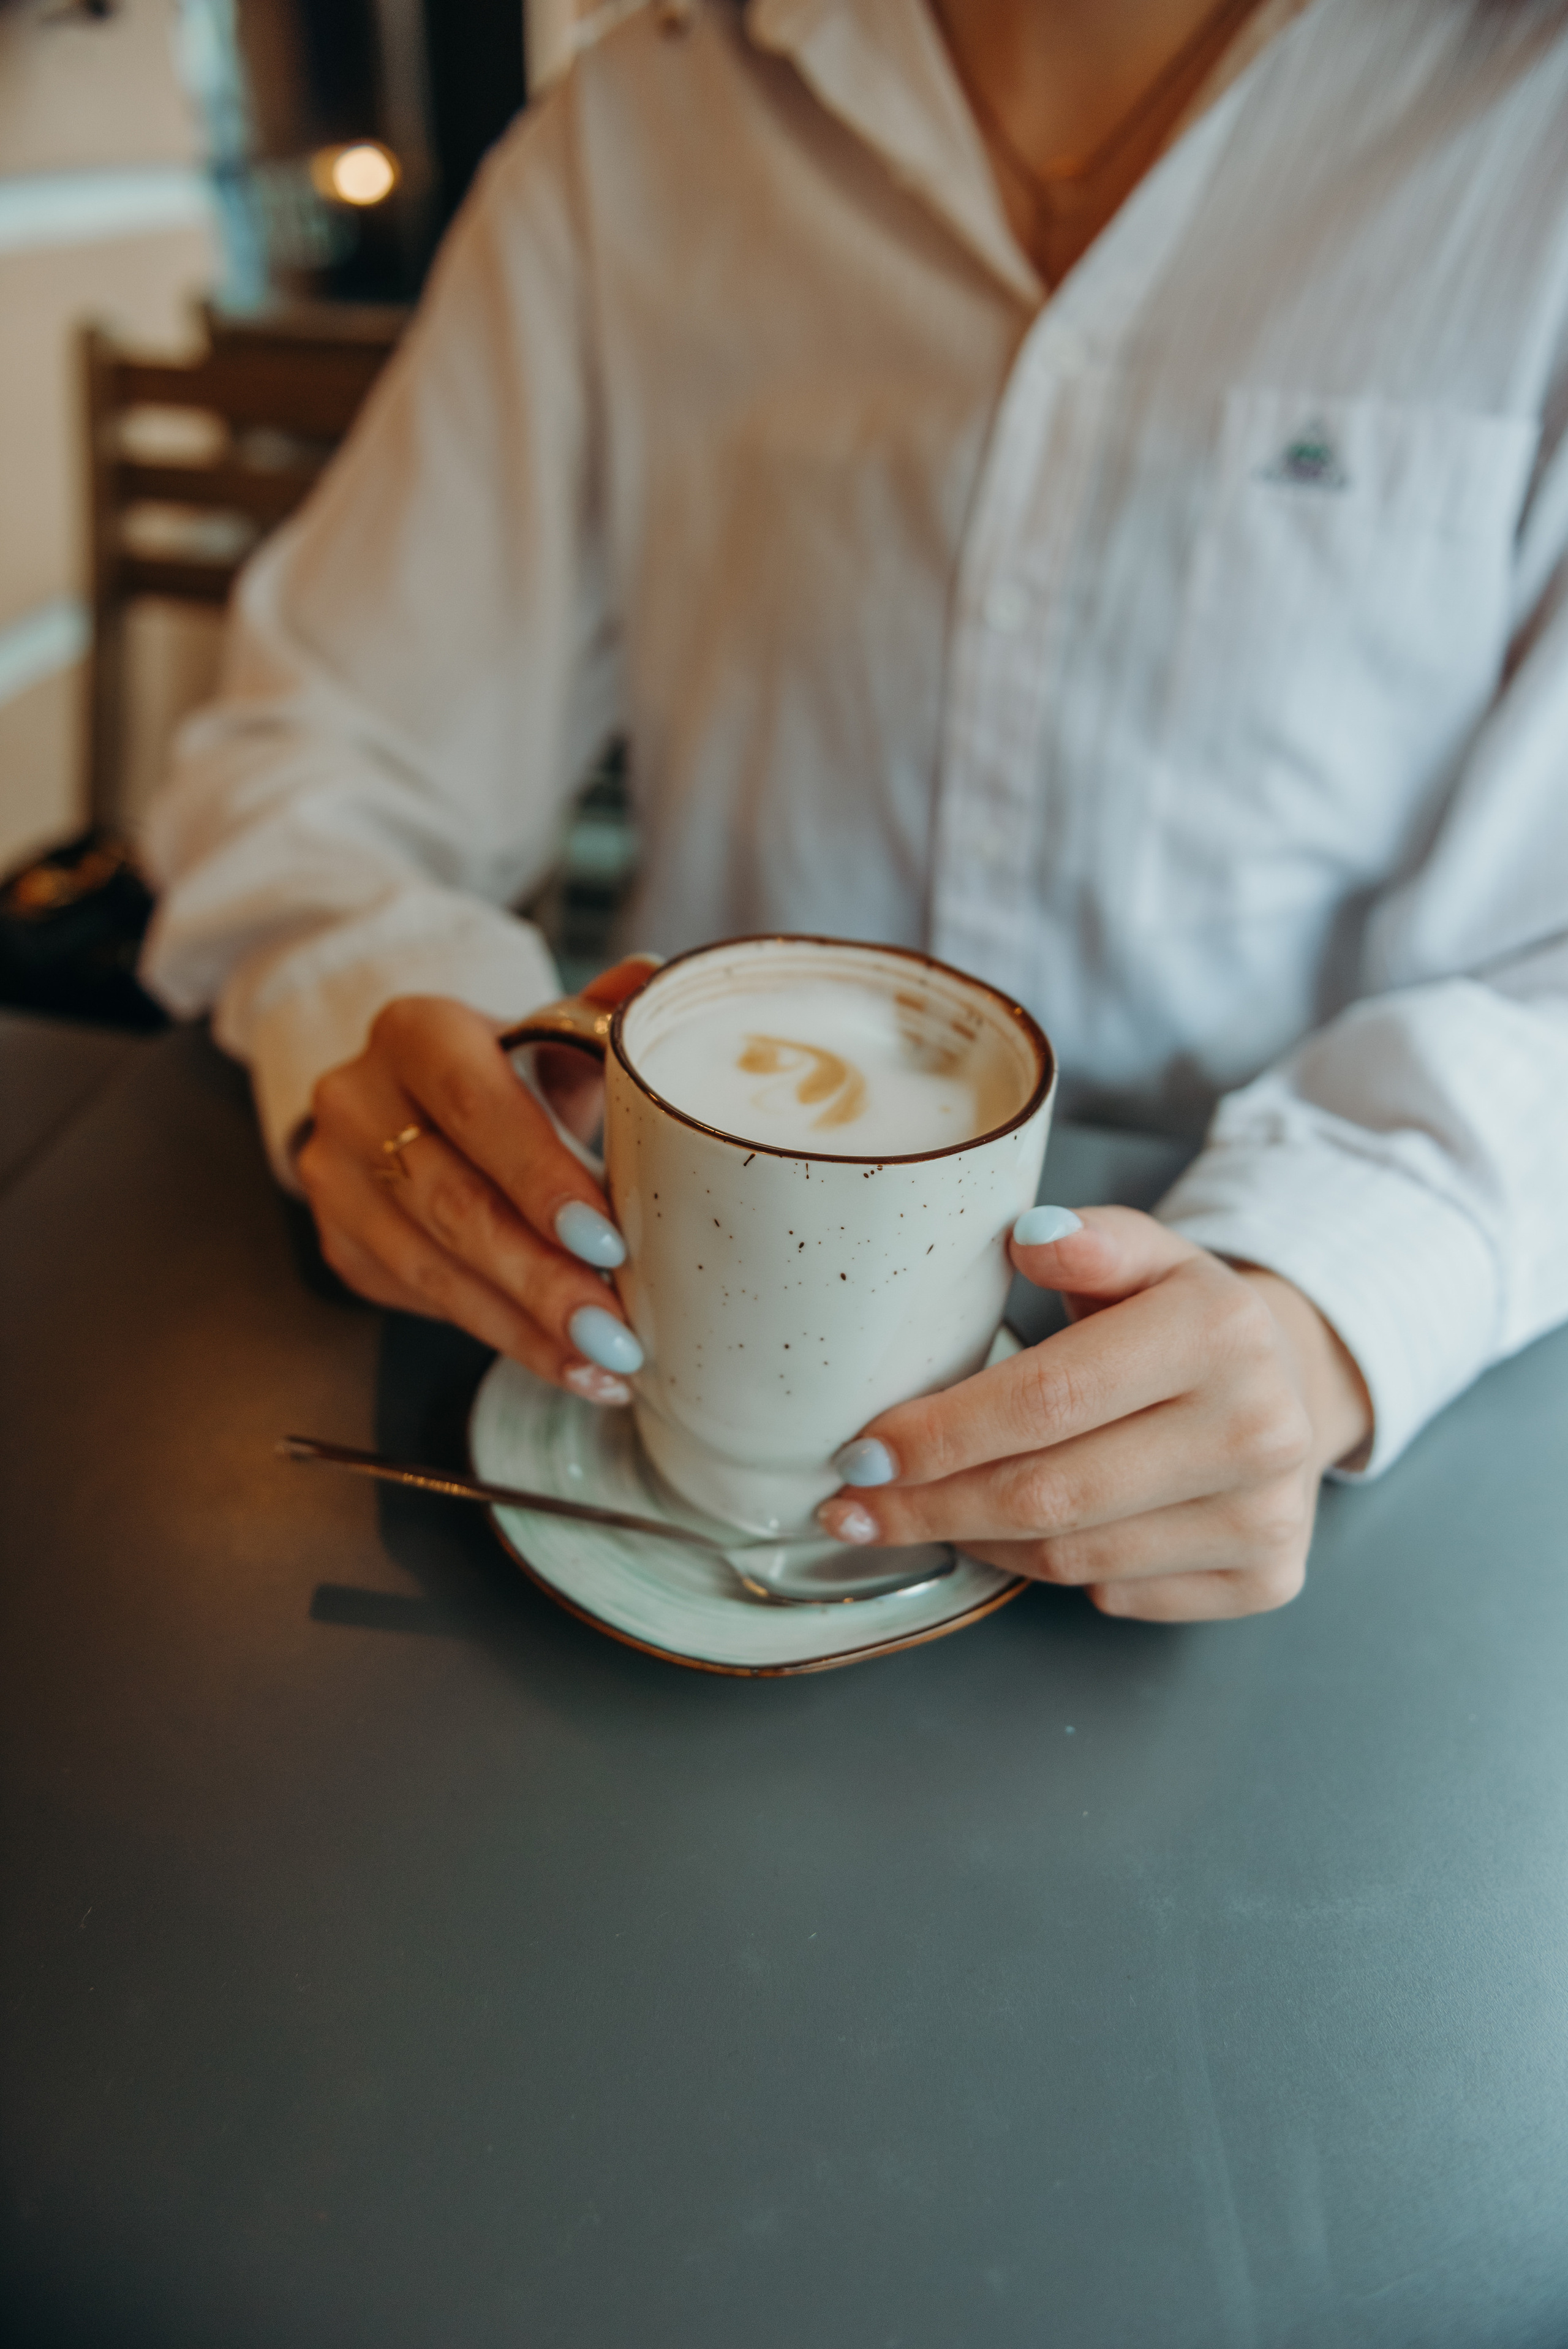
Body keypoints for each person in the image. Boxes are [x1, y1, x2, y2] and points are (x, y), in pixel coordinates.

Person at [141, 0, 1568, 1621]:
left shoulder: (1535, 132)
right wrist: (409, 1073)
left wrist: (1332, 1301)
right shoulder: (637, 138)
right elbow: (307, 762)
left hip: (1270, 1509)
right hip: (647, 1405)